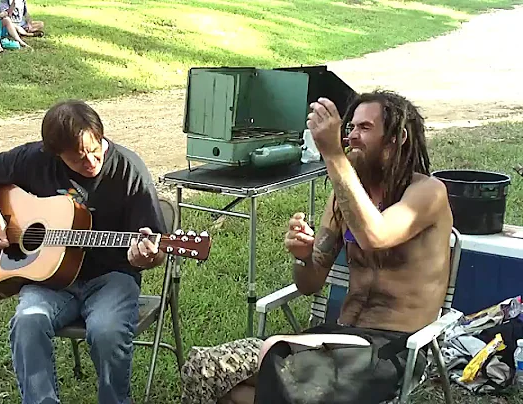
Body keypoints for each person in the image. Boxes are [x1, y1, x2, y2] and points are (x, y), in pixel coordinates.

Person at [180, 90, 454, 404]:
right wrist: (303, 257)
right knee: (203, 367)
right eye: (350, 128)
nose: (352, 137)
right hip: (337, 340)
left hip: (392, 352)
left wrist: (332, 154)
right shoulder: (345, 198)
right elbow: (309, 284)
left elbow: (374, 236)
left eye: (364, 128)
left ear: (397, 137)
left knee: (279, 385)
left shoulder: (428, 193)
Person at [0, 100, 167, 404]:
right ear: (56, 154)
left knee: (107, 332)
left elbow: (158, 249)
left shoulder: (129, 169)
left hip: (111, 278)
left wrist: (148, 256)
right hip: (50, 281)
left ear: (100, 135)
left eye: (94, 149)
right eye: (77, 158)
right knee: (27, 322)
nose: (89, 162)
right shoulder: (35, 159)